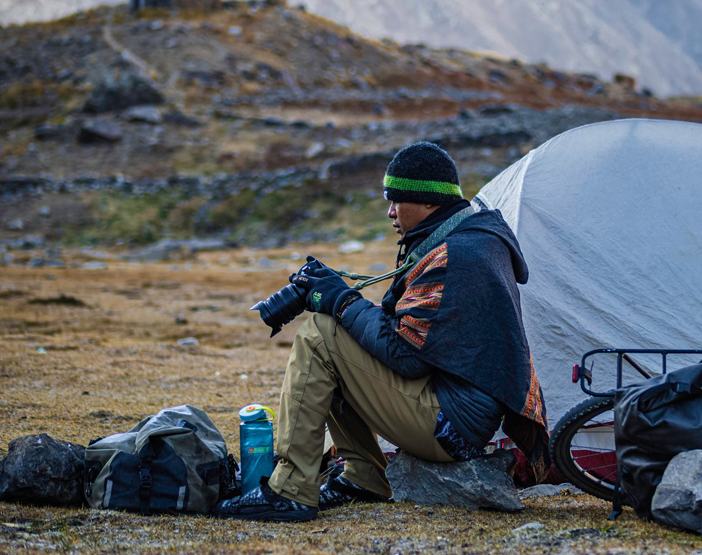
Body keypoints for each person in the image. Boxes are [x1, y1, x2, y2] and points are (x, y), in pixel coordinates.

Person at [218, 141, 548, 522]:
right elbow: (410, 335)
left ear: (427, 202)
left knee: (320, 334)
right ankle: (363, 477)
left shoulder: (456, 256)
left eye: (396, 201)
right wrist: (344, 302)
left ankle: (291, 489)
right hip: (456, 411)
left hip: (450, 424)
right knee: (341, 339)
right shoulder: (464, 238)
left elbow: (405, 357)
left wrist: (341, 302)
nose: (390, 212)